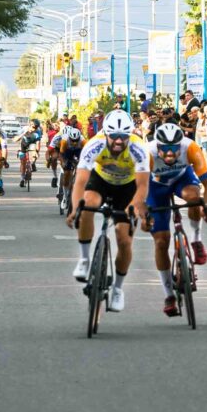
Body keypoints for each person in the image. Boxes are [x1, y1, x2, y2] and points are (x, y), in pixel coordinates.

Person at [67, 109, 149, 312]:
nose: (119, 141)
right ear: (106, 134)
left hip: (128, 187)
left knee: (124, 239)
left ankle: (118, 289)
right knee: (87, 205)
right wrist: (76, 208)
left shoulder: (138, 148)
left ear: (130, 134)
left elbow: (143, 186)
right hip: (101, 180)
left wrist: (134, 205)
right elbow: (80, 181)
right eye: (114, 136)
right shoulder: (94, 144)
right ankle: (84, 259)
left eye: (124, 136)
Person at [146, 122, 207, 317]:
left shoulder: (190, 147)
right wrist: (143, 214)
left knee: (194, 198)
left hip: (181, 179)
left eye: (174, 149)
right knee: (161, 242)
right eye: (165, 149)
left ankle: (196, 240)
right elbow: (138, 188)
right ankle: (169, 295)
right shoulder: (147, 153)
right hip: (155, 187)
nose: (170, 153)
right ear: (157, 146)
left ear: (180, 145)